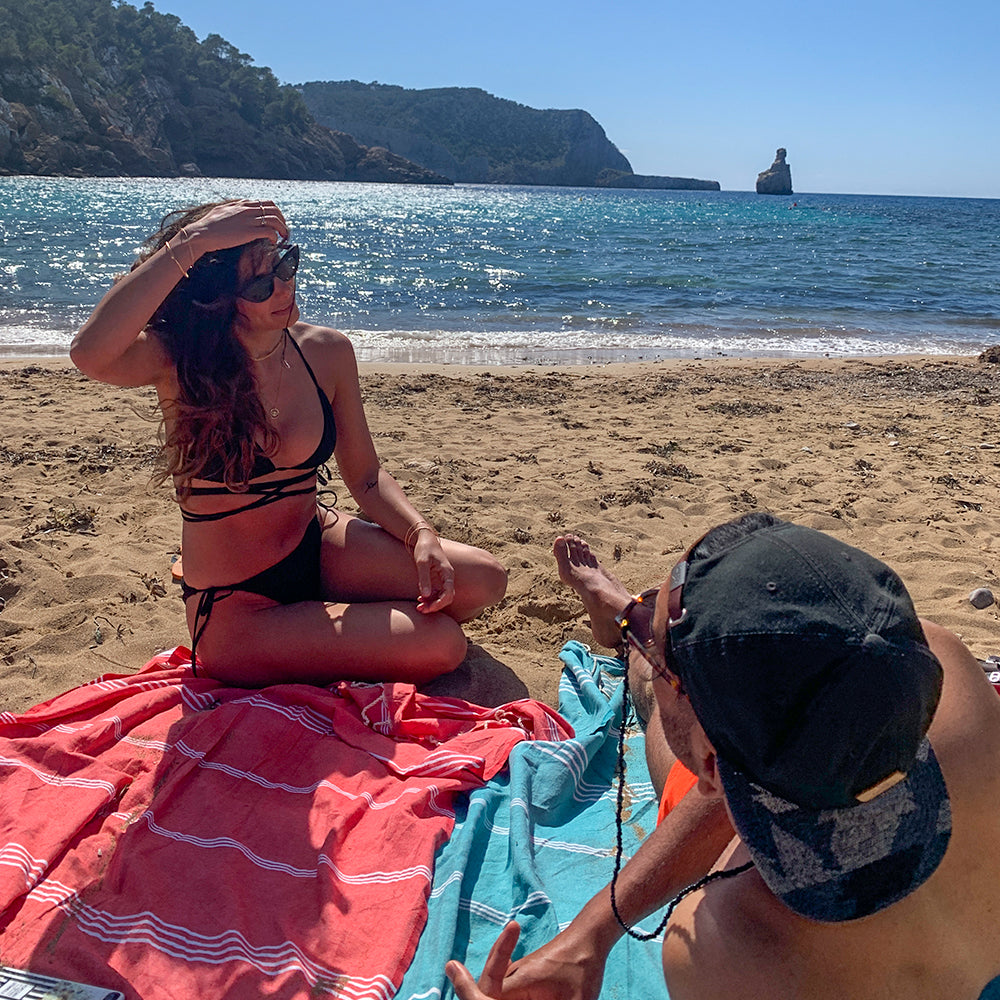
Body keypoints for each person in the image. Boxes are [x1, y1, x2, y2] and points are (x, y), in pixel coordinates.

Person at [446, 514, 1000, 1000]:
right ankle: (627, 615)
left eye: (663, 654)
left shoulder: (726, 943)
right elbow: (802, 749)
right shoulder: (944, 673)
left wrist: (595, 932)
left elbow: (732, 786)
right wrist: (593, 929)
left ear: (713, 768)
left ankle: (626, 625)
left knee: (651, 694)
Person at [71, 199, 507, 686]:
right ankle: (320, 633)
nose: (283, 287)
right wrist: (192, 244)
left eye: (285, 264)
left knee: (484, 579)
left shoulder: (325, 350)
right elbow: (90, 353)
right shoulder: (179, 362)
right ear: (216, 298)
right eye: (259, 285)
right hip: (239, 607)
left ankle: (327, 625)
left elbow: (364, 476)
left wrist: (419, 534)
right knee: (442, 643)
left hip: (316, 545)